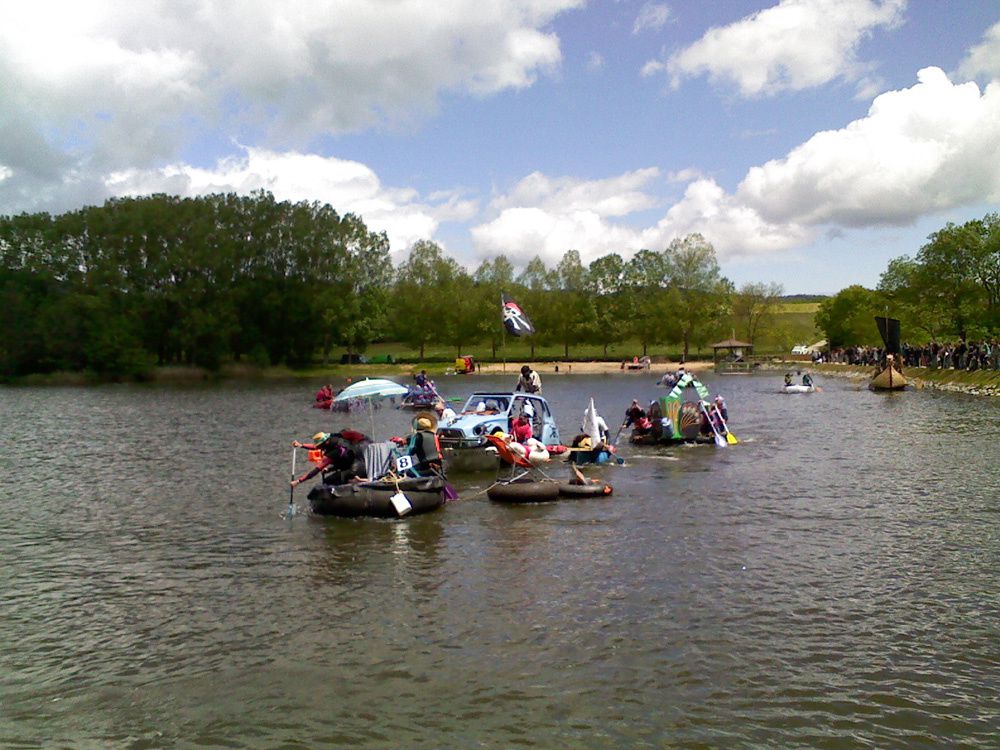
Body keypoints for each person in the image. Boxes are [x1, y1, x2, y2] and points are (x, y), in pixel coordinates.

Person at [290, 432, 365, 487]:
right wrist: (301, 445)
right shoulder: (334, 440)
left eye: (320, 445)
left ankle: (353, 482)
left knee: (328, 481)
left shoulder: (333, 453)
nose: (319, 447)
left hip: (355, 468)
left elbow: (316, 470)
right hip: (357, 462)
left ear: (325, 443)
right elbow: (315, 447)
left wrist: (298, 481)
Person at [403, 412, 443, 477]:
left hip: (427, 466)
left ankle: (428, 475)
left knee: (409, 472)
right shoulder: (433, 435)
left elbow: (411, 452)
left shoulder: (419, 436)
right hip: (438, 464)